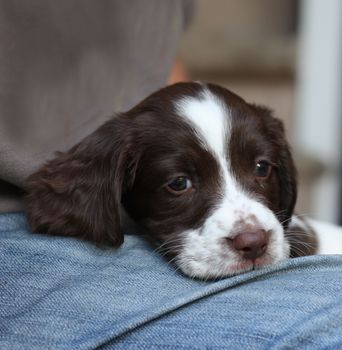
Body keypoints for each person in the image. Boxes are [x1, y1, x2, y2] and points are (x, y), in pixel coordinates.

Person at [0, 2, 342, 349]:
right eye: (180, 183)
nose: (251, 234)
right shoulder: (103, 174)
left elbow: (157, 56)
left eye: (261, 169)